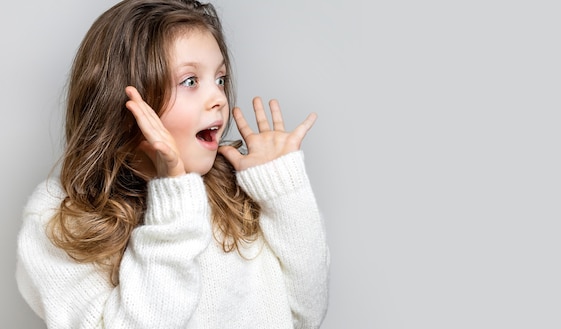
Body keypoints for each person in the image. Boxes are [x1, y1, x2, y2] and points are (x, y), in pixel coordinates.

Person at [15, 0, 329, 328]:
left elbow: (303, 315)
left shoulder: (235, 191)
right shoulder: (59, 220)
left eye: (219, 78)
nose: (219, 98)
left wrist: (283, 188)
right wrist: (174, 198)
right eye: (190, 81)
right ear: (125, 107)